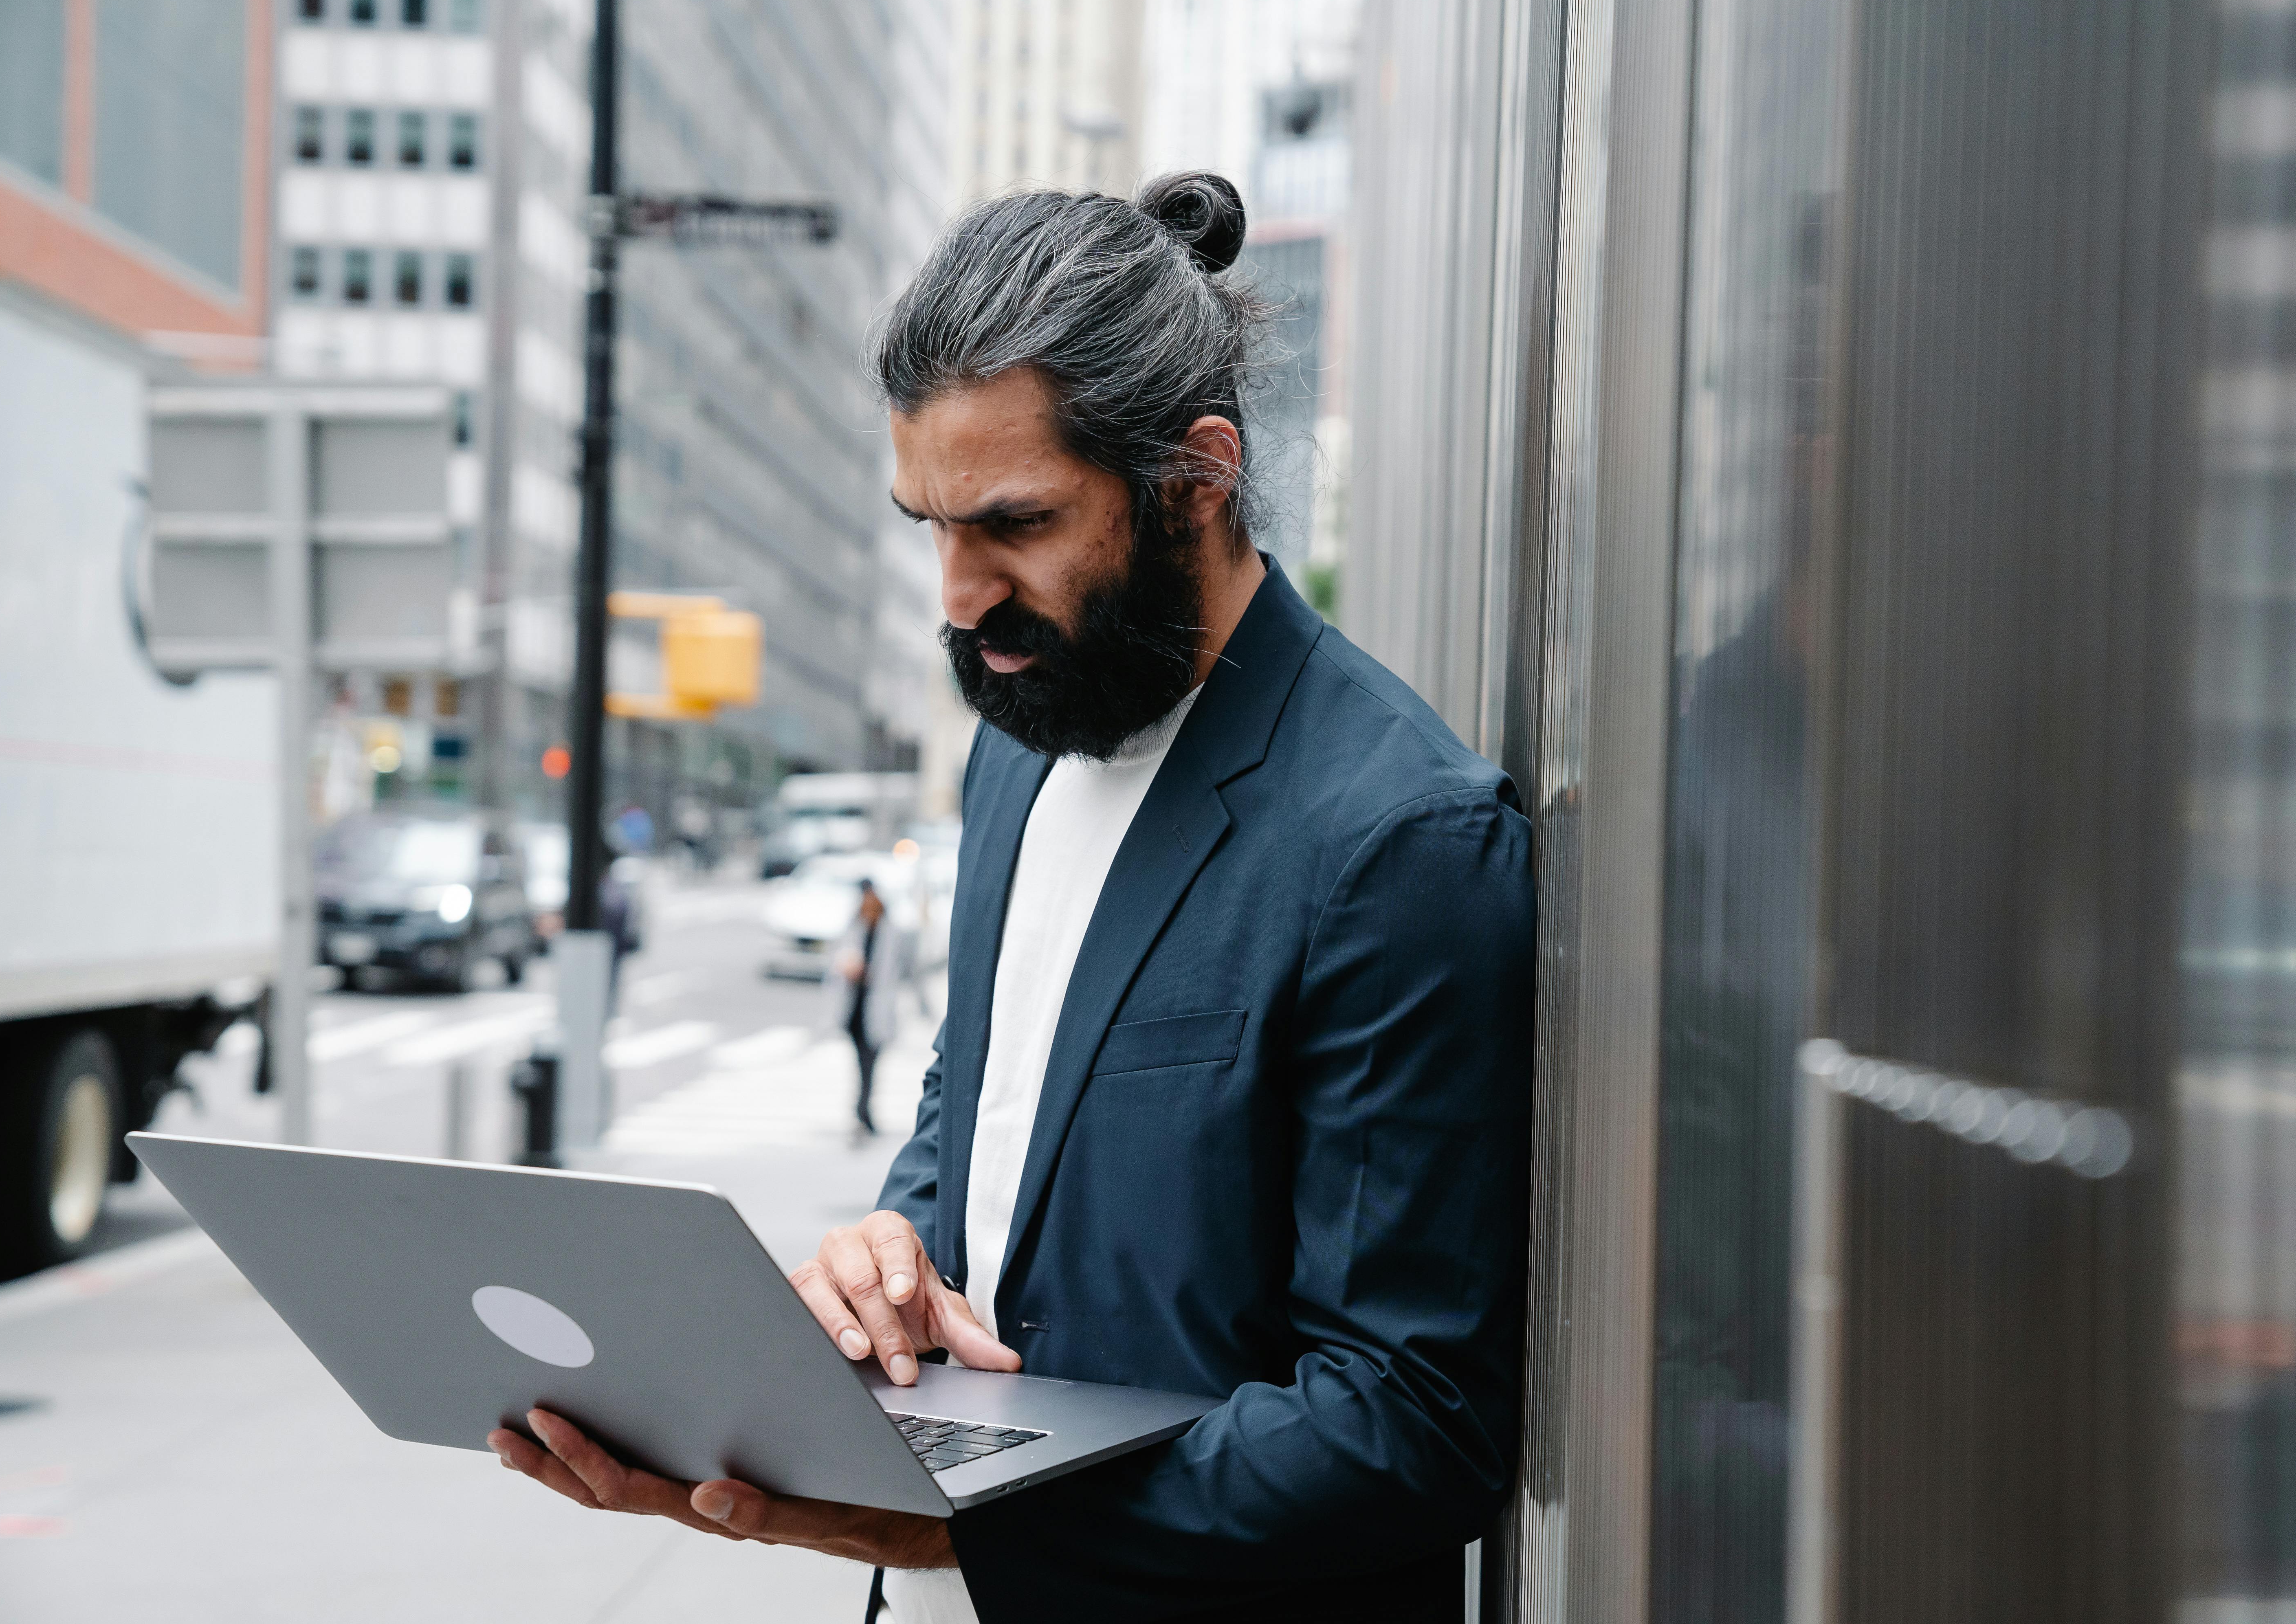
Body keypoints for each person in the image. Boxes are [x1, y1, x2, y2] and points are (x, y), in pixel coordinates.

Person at [487, 171, 1536, 1622]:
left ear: (1198, 474)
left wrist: (958, 1534)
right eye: (927, 522)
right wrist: (894, 1248)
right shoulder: (1018, 740)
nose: (960, 591)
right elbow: (977, 1112)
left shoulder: (1395, 836)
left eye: (1014, 522)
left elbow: (1408, 1422)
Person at [837, 878, 907, 1135]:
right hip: (855, 1010)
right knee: (861, 1063)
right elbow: (838, 960)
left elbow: (905, 972)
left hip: (877, 1011)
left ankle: (864, 1109)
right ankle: (863, 1110)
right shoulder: (854, 929)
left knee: (871, 1063)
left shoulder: (892, 934)